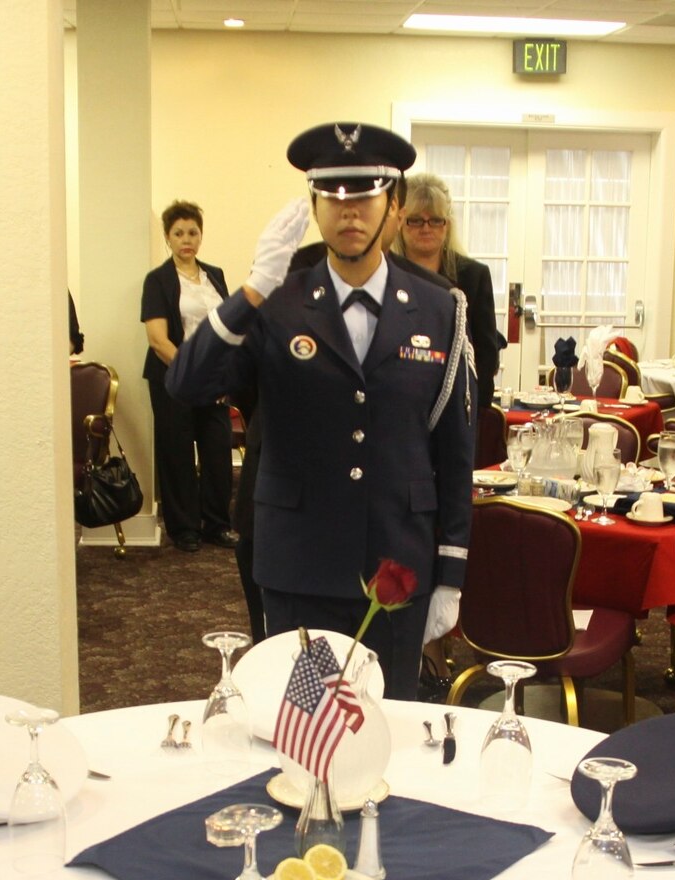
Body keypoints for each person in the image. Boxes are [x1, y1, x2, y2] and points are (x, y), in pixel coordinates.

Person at [169, 122, 473, 700]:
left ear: (394, 204)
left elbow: (454, 454)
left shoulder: (440, 310)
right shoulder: (276, 302)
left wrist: (450, 575)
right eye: (331, 197)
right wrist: (253, 288)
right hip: (298, 565)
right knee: (302, 730)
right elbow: (186, 384)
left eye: (363, 195)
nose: (347, 212)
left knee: (389, 732)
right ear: (313, 205)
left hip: (396, 566)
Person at [141, 200, 236, 553]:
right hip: (172, 378)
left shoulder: (216, 274)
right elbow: (157, 339)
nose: (187, 239)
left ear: (201, 235)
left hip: (214, 380)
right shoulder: (158, 280)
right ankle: (184, 528)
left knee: (217, 452)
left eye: (193, 232)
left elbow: (228, 324)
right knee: (177, 452)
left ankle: (217, 524)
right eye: (178, 233)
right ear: (168, 237)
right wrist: (190, 371)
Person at [393, 172, 506, 412]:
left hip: (456, 409)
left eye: (435, 220)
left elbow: (485, 359)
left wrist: (473, 414)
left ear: (447, 225)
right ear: (400, 223)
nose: (426, 228)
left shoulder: (474, 276)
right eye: (416, 220)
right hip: (398, 408)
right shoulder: (385, 274)